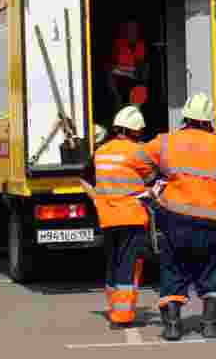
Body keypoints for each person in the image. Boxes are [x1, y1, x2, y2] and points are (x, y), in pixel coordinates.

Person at [128, 93, 216, 341]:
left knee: (173, 270)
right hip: (212, 220)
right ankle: (210, 325)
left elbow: (136, 159)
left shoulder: (166, 141)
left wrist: (154, 180)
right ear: (209, 121)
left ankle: (172, 326)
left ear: (185, 117)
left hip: (176, 218)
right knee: (212, 271)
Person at [92, 106, 149, 327]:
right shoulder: (137, 152)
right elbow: (153, 179)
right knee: (127, 263)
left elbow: (86, 179)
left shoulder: (100, 152)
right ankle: (122, 315)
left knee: (113, 262)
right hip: (131, 216)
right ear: (133, 130)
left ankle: (114, 307)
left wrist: (98, 200)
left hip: (107, 217)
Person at [108, 20, 146, 112]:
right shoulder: (118, 45)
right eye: (130, 29)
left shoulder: (141, 45)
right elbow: (110, 69)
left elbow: (141, 71)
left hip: (136, 85)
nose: (132, 32)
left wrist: (121, 70)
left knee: (139, 92)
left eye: (134, 29)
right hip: (119, 83)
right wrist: (129, 72)